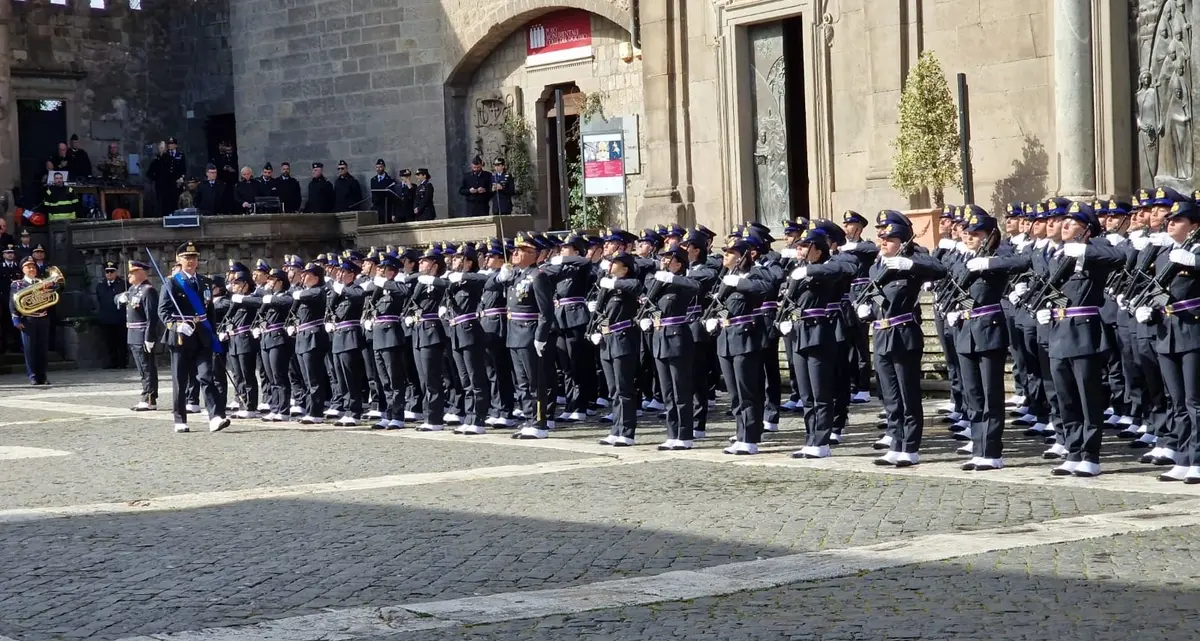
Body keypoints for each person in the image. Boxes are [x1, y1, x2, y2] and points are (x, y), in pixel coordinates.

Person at [857, 219, 947, 466]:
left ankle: (910, 446)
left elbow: (939, 268)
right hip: (882, 335)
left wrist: (910, 263)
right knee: (891, 397)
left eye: (889, 239)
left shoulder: (911, 265)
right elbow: (876, 296)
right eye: (881, 239)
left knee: (908, 395)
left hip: (904, 334)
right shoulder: (877, 268)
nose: (883, 243)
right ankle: (895, 442)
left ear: (901, 243)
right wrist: (867, 309)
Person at [158, 241, 230, 433]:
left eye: (194, 258)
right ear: (178, 260)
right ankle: (180, 419)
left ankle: (215, 417)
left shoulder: (205, 282)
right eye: (186, 257)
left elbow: (210, 311)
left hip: (202, 335)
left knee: (206, 376)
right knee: (180, 380)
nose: (190, 261)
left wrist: (213, 334)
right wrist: (177, 326)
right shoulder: (171, 283)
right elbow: (163, 311)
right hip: (181, 336)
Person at [646, 242, 702, 450]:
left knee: (681, 390)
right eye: (662, 258)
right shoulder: (658, 283)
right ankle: (672, 433)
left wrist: (673, 278)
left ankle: (685, 435)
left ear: (679, 264)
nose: (663, 261)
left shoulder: (681, 283)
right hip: (660, 338)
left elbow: (696, 287)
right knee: (667, 391)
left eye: (668, 259)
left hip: (678, 338)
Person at [117, 260, 160, 410]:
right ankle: (147, 396)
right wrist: (119, 299)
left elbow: (152, 317)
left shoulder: (148, 290)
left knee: (147, 368)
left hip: (142, 334)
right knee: (142, 369)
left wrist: (149, 337)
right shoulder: (133, 290)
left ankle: (149, 398)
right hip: (133, 334)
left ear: (141, 273)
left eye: (132, 272)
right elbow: (118, 299)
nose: (129, 275)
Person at [10, 256, 56, 385]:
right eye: (28, 267)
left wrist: (52, 288)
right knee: (30, 349)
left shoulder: (41, 282)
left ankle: (43, 375)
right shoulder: (17, 284)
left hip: (43, 318)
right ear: (23, 269)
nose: (31, 269)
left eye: (33, 267)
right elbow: (13, 303)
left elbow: (51, 298)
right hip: (28, 320)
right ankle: (33, 376)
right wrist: (16, 320)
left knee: (42, 349)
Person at [94, 261, 128, 369]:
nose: (109, 274)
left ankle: (122, 362)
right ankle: (112, 362)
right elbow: (100, 300)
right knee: (109, 342)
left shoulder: (122, 284)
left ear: (115, 272)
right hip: (106, 318)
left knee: (121, 341)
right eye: (107, 272)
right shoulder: (100, 285)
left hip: (119, 318)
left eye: (111, 271)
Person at [148, 138, 187, 217]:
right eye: (169, 144)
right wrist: (158, 179)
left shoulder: (176, 156)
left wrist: (181, 178)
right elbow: (151, 173)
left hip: (174, 184)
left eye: (172, 144)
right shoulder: (159, 158)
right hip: (163, 185)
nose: (170, 145)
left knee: (175, 203)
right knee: (164, 205)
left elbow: (181, 169)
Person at [370, 159, 399, 224]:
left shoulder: (390, 180)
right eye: (377, 167)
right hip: (377, 206)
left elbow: (392, 196)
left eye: (380, 167)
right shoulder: (373, 180)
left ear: (384, 167)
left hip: (386, 207)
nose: (378, 169)